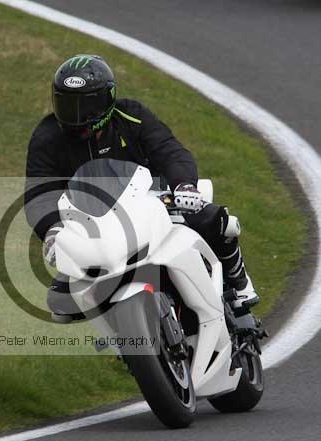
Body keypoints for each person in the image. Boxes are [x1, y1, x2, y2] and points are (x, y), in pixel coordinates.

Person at [24, 54, 259, 316]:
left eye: (86, 105)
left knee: (217, 220)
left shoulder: (131, 116)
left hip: (153, 203)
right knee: (60, 302)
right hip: (96, 227)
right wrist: (53, 229)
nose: (76, 115)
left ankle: (240, 284)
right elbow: (39, 195)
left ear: (107, 100)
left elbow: (169, 151)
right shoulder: (47, 137)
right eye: (67, 104)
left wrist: (184, 185)